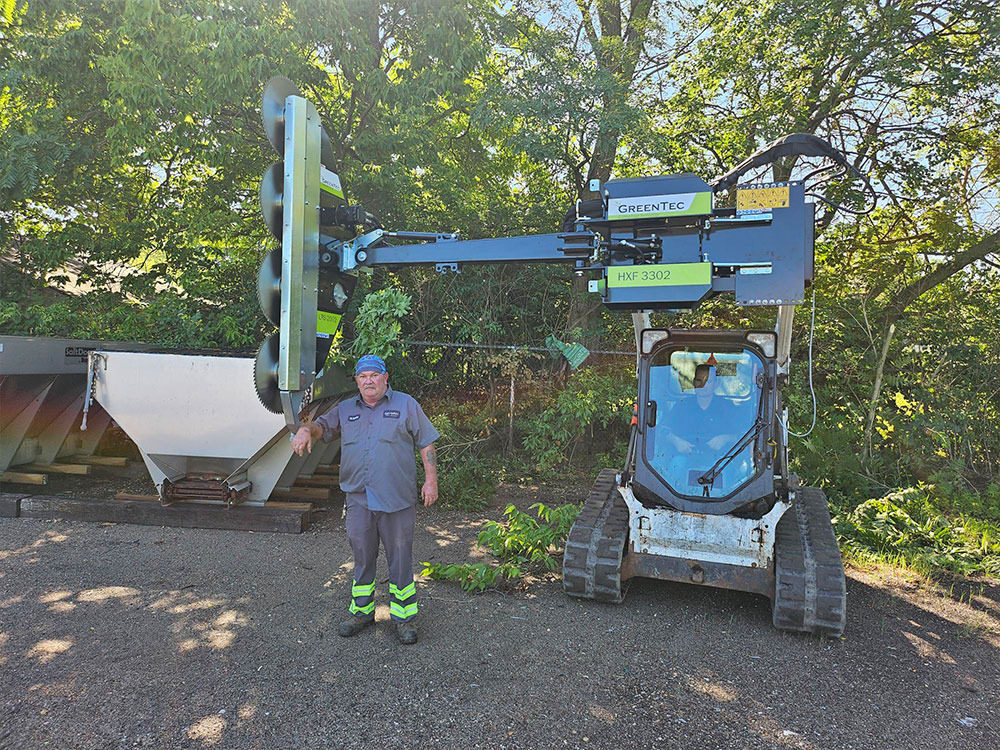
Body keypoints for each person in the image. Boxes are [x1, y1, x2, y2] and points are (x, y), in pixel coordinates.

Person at [290, 354, 440, 645]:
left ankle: (404, 618)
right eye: (363, 376)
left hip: (396, 498)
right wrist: (307, 430)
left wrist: (431, 480)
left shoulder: (406, 405)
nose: (369, 380)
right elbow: (322, 428)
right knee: (361, 556)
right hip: (358, 497)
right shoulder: (346, 409)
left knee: (400, 559)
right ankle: (362, 612)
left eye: (374, 375)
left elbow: (426, 442)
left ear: (385, 378)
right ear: (357, 381)